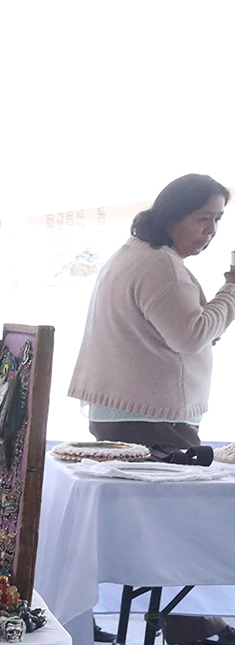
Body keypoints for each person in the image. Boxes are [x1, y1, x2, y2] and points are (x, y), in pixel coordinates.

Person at [68, 173, 235, 451]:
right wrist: (232, 288)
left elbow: (171, 329)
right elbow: (191, 337)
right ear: (172, 217)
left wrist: (205, 328)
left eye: (218, 219)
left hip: (124, 411)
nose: (211, 230)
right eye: (203, 218)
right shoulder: (162, 266)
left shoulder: (133, 253)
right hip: (152, 419)